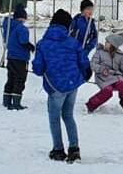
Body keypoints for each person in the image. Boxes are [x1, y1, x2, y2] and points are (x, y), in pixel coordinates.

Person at [32, 9, 91, 162]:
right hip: (73, 84)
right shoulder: (73, 42)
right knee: (68, 116)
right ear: (67, 26)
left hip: (55, 86)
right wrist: (84, 74)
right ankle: (74, 148)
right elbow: (83, 62)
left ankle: (58, 149)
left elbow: (38, 69)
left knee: (54, 118)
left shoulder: (43, 44)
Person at [86, 33, 123, 114]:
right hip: (103, 77)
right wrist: (101, 69)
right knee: (108, 92)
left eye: (107, 42)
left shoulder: (120, 56)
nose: (105, 43)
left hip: (116, 77)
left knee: (122, 85)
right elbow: (93, 64)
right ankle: (91, 105)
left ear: (113, 45)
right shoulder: (99, 53)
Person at [1, 4, 35, 110]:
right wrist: (31, 47)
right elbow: (23, 41)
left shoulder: (8, 27)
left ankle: (6, 100)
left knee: (11, 78)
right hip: (20, 58)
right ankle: (16, 103)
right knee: (19, 79)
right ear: (22, 17)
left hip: (11, 57)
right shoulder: (21, 28)